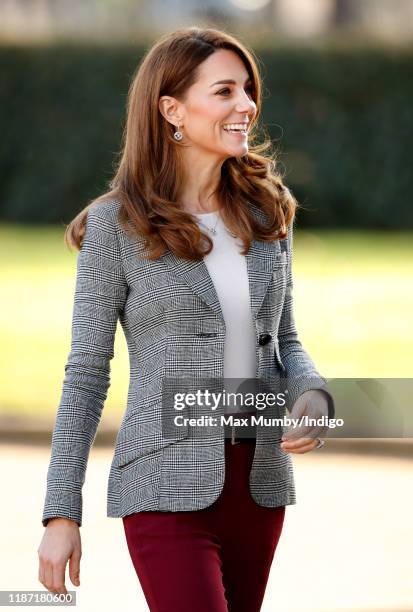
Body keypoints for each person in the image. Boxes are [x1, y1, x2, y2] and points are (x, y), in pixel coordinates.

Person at [38, 26, 334, 611]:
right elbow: (87, 372)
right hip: (163, 484)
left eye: (247, 90)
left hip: (259, 479)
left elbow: (285, 339)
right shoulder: (115, 226)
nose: (246, 105)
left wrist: (314, 395)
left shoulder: (267, 211)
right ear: (171, 108)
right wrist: (60, 512)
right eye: (224, 91)